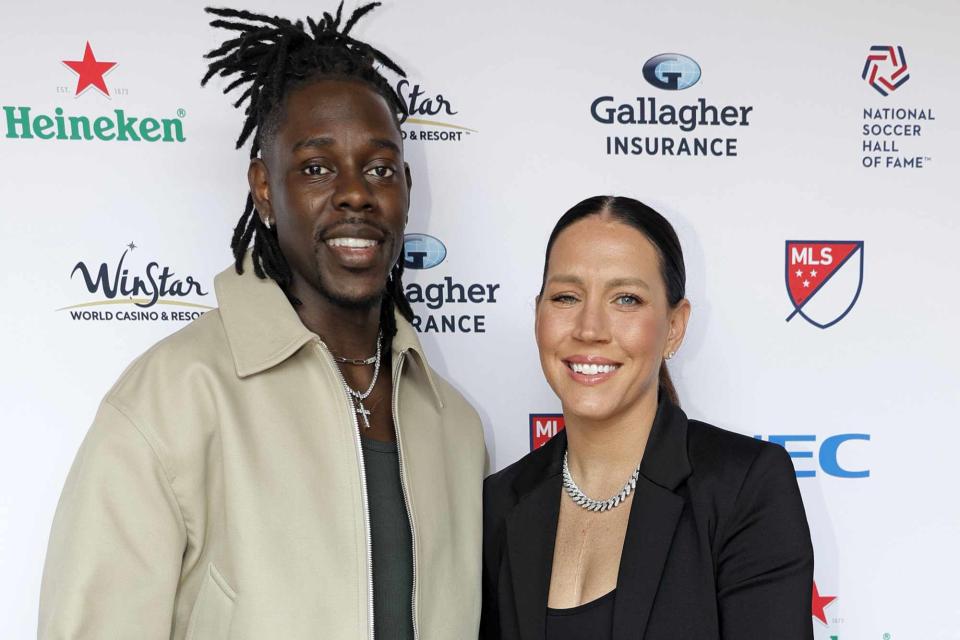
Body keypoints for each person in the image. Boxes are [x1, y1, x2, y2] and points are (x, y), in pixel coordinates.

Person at [38, 4, 485, 639]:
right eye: (316, 167)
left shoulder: (455, 426)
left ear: (406, 189)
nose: (356, 192)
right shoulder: (173, 397)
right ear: (265, 189)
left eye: (380, 169)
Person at [481, 196, 813, 639]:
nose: (590, 328)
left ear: (674, 326)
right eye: (566, 297)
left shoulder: (744, 486)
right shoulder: (499, 503)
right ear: (538, 313)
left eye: (625, 299)